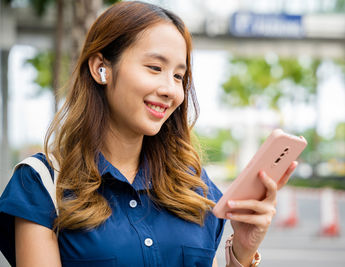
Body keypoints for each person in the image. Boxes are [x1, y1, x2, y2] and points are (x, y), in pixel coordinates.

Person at [0, 1, 297, 266]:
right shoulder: (40, 185)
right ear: (101, 68)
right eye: (155, 67)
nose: (171, 90)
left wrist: (243, 253)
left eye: (179, 76)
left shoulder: (194, 186)